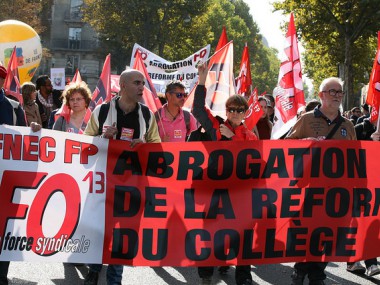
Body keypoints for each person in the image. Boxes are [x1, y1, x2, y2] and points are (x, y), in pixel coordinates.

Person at [83, 69, 161, 285]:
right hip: (104, 183)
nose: (141, 87)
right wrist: (102, 138)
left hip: (133, 186)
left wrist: (145, 146)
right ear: (123, 85)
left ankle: (114, 279)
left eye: (143, 84)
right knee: (100, 231)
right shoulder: (102, 110)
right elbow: (84, 144)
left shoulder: (146, 114)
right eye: (137, 83)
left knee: (122, 234)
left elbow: (157, 147)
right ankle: (94, 268)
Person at [286, 77, 356, 285]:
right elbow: (286, 146)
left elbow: (356, 158)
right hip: (309, 189)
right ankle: (301, 269)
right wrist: (304, 143)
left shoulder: (348, 125)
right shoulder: (307, 119)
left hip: (336, 191)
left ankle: (317, 272)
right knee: (308, 232)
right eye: (332, 91)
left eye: (339, 92)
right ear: (321, 95)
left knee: (328, 233)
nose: (336, 96)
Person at [193, 62, 256, 285]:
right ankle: (206, 275)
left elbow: (252, 160)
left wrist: (232, 136)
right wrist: (202, 82)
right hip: (215, 192)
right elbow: (198, 110)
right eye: (231, 109)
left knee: (243, 236)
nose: (235, 113)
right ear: (226, 110)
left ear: (246, 112)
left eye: (239, 110)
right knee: (210, 233)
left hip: (240, 195)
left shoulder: (250, 136)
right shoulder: (215, 127)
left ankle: (243, 275)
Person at [0, 65, 40, 285]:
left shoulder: (14, 107)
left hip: (7, 181)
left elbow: (24, 143)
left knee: (5, 230)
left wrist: (32, 130)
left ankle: (1, 276)